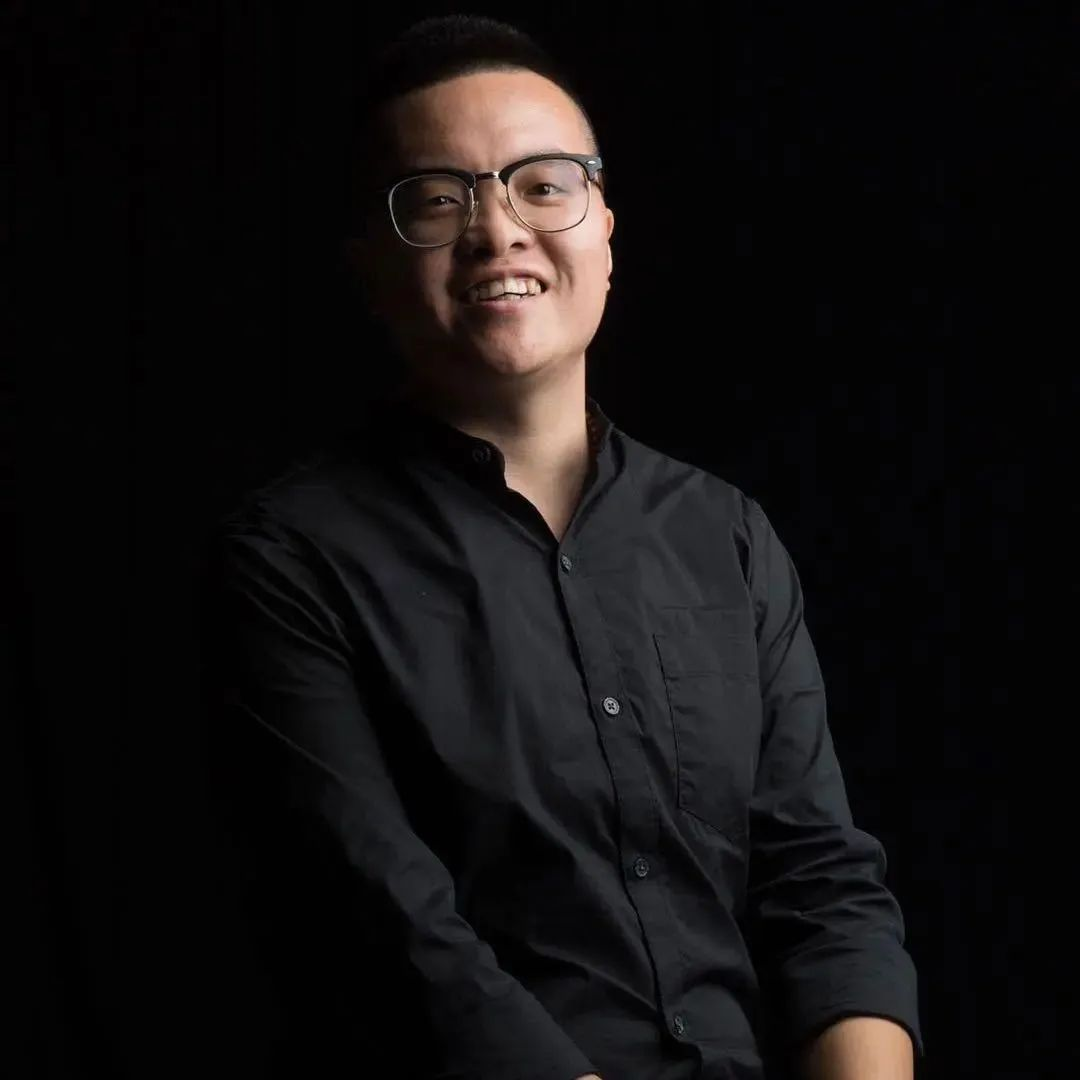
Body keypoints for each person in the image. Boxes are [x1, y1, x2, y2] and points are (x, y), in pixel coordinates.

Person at [202, 15, 922, 1080]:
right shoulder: (291, 559)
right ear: (369, 266)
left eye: (543, 185)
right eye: (438, 199)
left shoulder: (726, 537)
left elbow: (822, 887)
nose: (497, 232)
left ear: (605, 232)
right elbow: (396, 930)